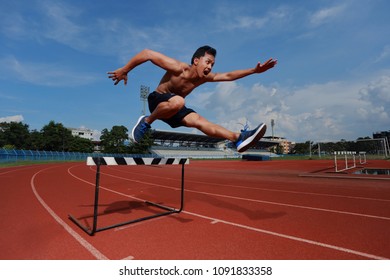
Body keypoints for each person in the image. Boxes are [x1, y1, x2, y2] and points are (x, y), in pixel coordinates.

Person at [108, 46, 277, 153]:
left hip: (174, 109)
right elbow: (147, 53)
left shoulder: (204, 78)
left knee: (200, 121)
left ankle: (237, 138)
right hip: (158, 101)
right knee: (179, 101)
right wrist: (125, 69)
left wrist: (254, 71)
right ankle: (146, 121)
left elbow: (228, 75)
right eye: (208, 62)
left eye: (212, 64)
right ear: (196, 61)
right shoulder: (178, 68)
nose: (210, 67)